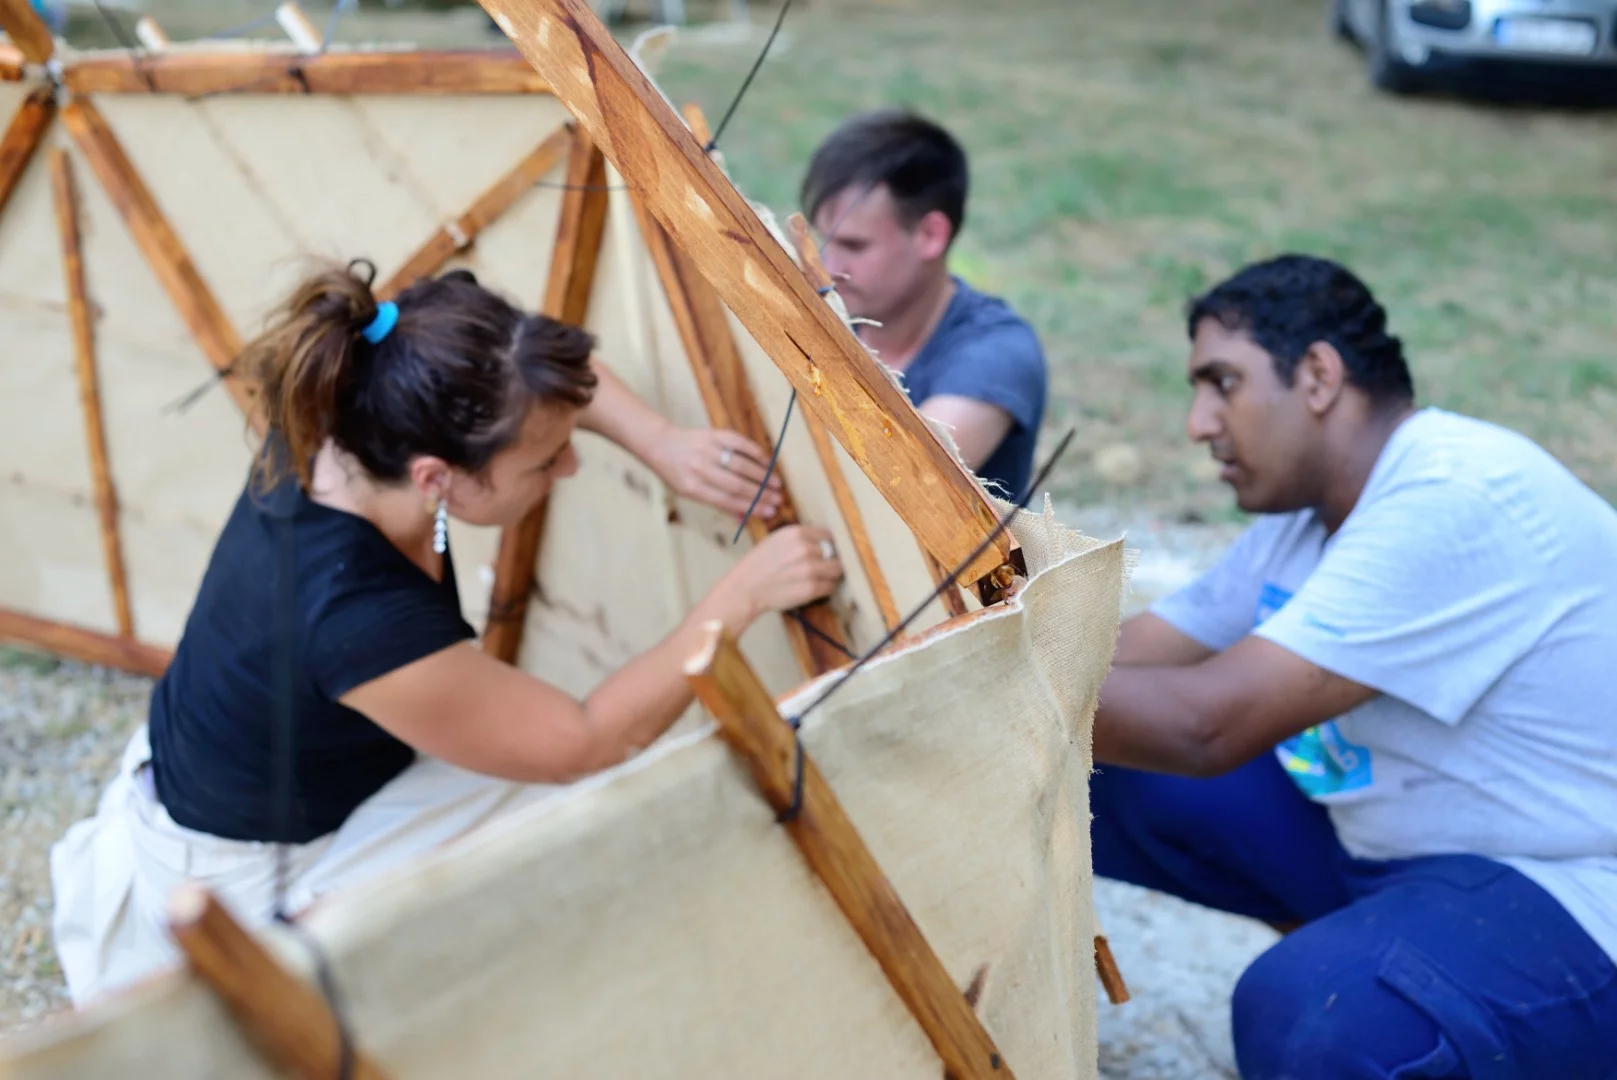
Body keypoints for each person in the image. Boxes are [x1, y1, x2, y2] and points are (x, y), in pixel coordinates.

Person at [49, 261, 843, 1006]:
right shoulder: (350, 616)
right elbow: (585, 740)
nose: (567, 469)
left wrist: (661, 443)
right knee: (599, 846)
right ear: (437, 478)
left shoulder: (364, 397)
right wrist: (737, 598)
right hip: (250, 866)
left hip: (275, 764)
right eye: (546, 461)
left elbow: (528, 374)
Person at [1088, 253, 1617, 1078]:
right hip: (1406, 860)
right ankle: (1399, 967)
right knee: (1100, 763)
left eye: (1220, 382)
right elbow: (1119, 660)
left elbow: (1204, 726)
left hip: (1572, 892)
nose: (1196, 422)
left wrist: (976, 689)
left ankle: (1421, 1005)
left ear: (1319, 376)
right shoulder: (1308, 516)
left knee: (1319, 1013)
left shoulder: (1454, 495)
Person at [801, 108, 1047, 499]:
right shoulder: (822, 315)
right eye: (824, 241)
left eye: (854, 245)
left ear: (931, 235)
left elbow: (900, 482)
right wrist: (667, 444)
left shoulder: (999, 353)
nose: (829, 267)